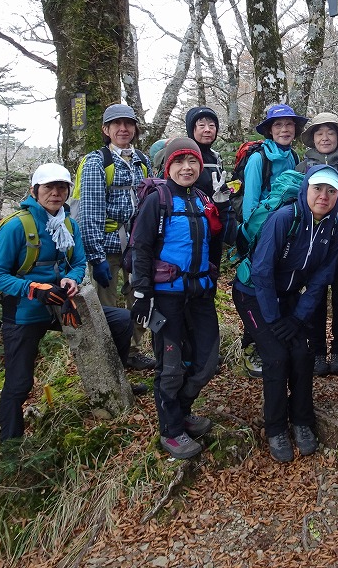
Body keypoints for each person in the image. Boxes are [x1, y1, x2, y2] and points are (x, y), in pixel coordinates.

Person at [0, 163, 133, 443]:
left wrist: (72, 279)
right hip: (24, 312)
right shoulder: (16, 226)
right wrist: (32, 288)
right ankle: (10, 446)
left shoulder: (69, 224)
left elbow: (78, 262)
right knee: (19, 384)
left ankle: (115, 380)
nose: (55, 193)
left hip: (61, 304)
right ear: (34, 191)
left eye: (62, 187)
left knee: (122, 320)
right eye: (49, 187)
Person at [232, 165, 338, 462]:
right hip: (252, 294)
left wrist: (297, 318)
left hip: (290, 298)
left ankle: (302, 420)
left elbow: (322, 278)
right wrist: (274, 320)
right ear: (306, 189)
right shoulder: (285, 218)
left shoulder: (336, 227)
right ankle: (276, 427)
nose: (323, 196)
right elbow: (262, 271)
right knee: (277, 356)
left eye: (331, 190)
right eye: (318, 188)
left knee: (303, 355)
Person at [130, 138, 227, 460]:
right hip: (166, 296)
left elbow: (215, 242)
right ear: (168, 167)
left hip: (200, 294)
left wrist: (225, 208)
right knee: (170, 366)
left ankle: (182, 411)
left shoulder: (203, 199)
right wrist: (142, 293)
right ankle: (171, 430)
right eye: (179, 162)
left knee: (206, 362)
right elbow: (141, 248)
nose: (187, 168)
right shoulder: (157, 201)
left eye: (193, 161)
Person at [75, 102, 154, 371]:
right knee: (105, 305)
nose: (123, 129)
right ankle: (109, 355)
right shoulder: (96, 162)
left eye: (128, 123)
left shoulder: (142, 160)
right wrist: (95, 257)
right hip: (106, 245)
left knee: (139, 297)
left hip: (137, 244)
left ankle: (132, 350)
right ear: (105, 129)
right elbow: (89, 213)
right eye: (116, 124)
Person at [237, 103, 308, 378]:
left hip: (287, 232)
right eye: (278, 125)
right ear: (269, 130)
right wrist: (255, 239)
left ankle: (274, 342)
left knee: (277, 286)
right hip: (262, 233)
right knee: (257, 285)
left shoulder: (293, 156)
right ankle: (252, 346)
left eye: (289, 125)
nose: (284, 130)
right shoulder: (259, 159)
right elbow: (250, 205)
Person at [295, 111, 338, 376]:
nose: (325, 138)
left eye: (330, 132)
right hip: (312, 243)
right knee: (315, 297)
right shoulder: (301, 168)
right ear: (312, 138)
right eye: (319, 133)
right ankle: (318, 351)